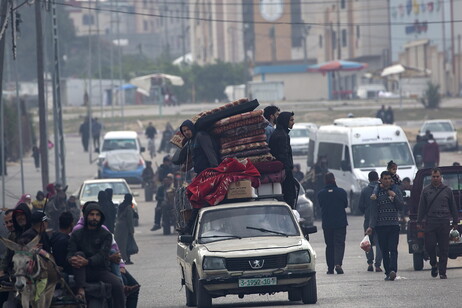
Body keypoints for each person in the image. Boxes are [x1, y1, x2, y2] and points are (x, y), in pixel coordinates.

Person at [67, 202, 125, 307]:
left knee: (117, 284)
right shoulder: (77, 234)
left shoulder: (105, 235)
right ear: (86, 216)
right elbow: (70, 252)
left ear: (100, 217)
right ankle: (81, 289)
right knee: (78, 254)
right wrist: (71, 259)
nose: (94, 217)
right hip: (81, 272)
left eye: (97, 215)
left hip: (100, 270)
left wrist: (88, 261)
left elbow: (102, 255)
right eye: (92, 214)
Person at [417, 168, 459, 279]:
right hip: (431, 222)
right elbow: (422, 207)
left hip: (444, 222)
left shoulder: (447, 190)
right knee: (429, 246)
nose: (435, 178)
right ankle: (433, 264)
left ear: (441, 177)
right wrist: (419, 221)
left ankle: (442, 272)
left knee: (444, 248)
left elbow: (453, 206)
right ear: (431, 177)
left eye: (437, 176)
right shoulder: (426, 191)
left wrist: (455, 221)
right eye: (434, 176)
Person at [366, 171, 404, 281]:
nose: (387, 181)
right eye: (385, 179)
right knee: (384, 250)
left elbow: (401, 206)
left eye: (389, 179)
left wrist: (395, 196)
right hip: (381, 226)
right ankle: (388, 272)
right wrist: (371, 227)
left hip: (393, 225)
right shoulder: (376, 193)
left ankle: (393, 270)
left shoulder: (395, 190)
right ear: (381, 180)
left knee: (393, 249)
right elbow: (373, 211)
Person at [317, 172, 348, 274]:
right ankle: (338, 263)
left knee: (329, 245)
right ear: (334, 179)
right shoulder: (342, 192)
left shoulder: (321, 193)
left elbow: (320, 205)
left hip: (327, 223)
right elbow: (345, 205)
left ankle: (330, 268)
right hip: (340, 222)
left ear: (325, 181)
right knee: (339, 244)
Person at [269, 111, 299, 208]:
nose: (293, 122)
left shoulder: (281, 133)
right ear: (285, 121)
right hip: (284, 172)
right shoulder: (282, 136)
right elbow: (283, 156)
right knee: (289, 198)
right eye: (291, 120)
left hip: (284, 171)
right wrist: (288, 172)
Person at [358, 171, 383, 272]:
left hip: (368, 220)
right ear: (378, 178)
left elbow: (360, 207)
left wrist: (367, 212)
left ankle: (369, 262)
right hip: (380, 221)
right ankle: (377, 265)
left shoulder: (365, 191)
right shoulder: (381, 190)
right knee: (379, 243)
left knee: (368, 242)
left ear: (369, 179)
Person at [115, 194, 135, 264]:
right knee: (126, 243)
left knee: (120, 244)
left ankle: (122, 258)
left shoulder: (121, 205)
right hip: (125, 227)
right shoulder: (128, 207)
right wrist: (131, 230)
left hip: (119, 226)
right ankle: (126, 259)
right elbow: (130, 220)